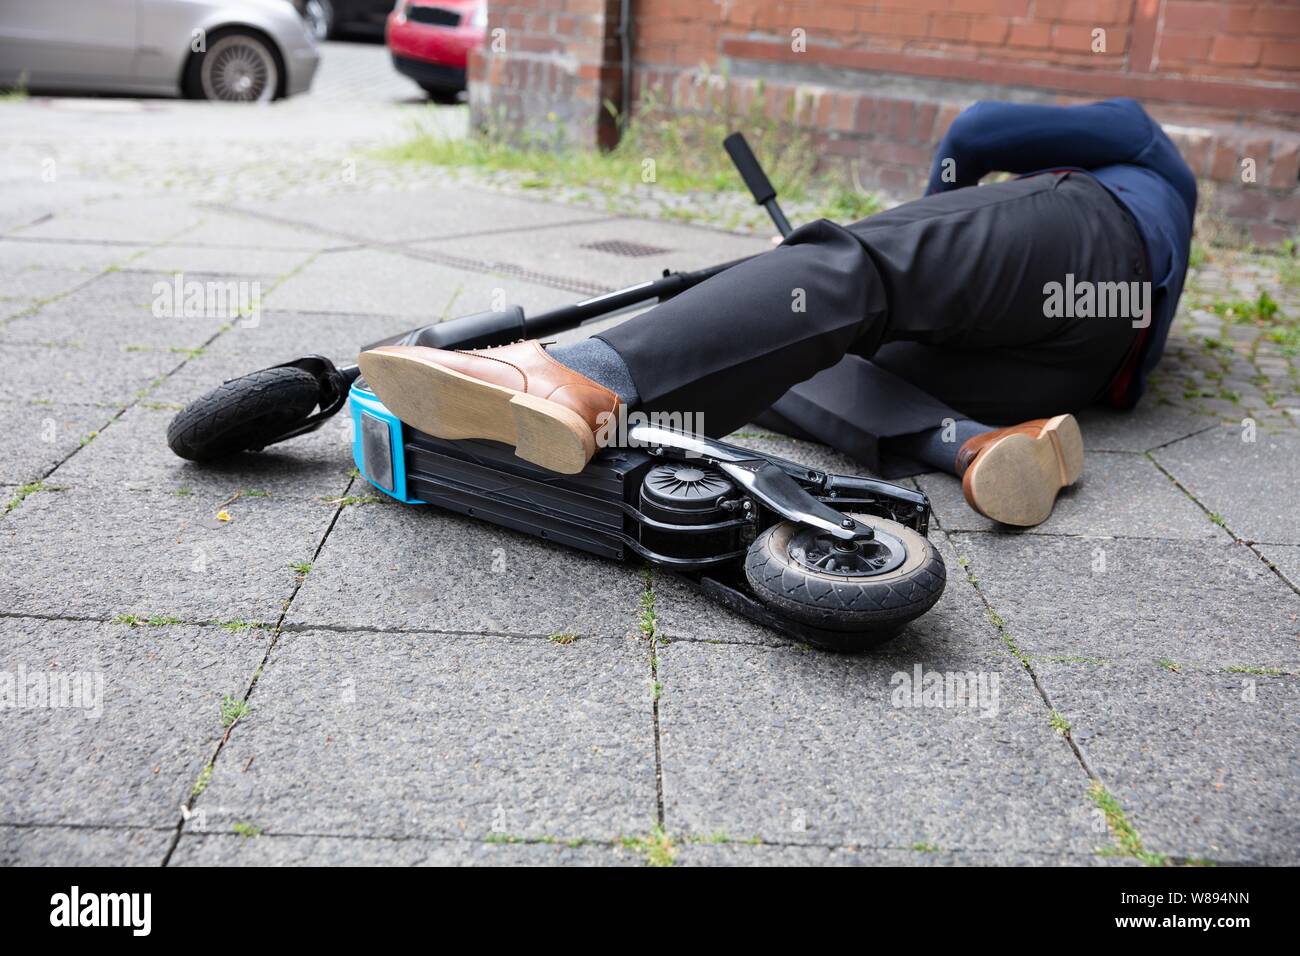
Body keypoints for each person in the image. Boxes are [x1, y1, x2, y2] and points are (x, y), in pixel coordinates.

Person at [358, 97, 1197, 527]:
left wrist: (919, 222)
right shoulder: (1167, 247)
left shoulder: (1143, 156)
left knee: (855, 271)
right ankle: (982, 447)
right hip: (1082, 367)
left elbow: (978, 129)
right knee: (813, 347)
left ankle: (573, 378)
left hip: (1087, 236)